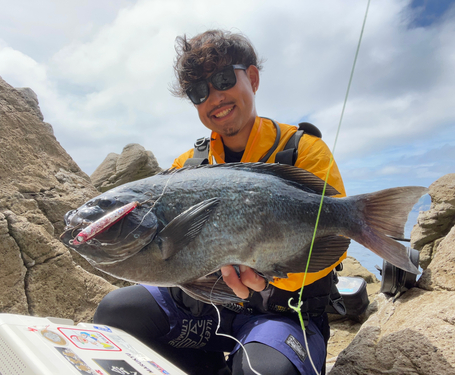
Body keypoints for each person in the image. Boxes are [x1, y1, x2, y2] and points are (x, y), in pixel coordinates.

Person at [94, 29, 346, 375]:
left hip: (284, 314)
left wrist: (271, 276)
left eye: (223, 79)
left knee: (265, 372)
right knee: (117, 311)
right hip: (207, 312)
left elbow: (335, 239)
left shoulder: (304, 151)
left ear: (252, 78)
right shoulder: (187, 166)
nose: (214, 97)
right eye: (199, 92)